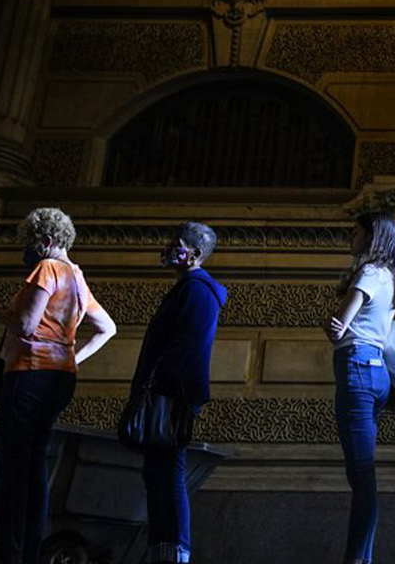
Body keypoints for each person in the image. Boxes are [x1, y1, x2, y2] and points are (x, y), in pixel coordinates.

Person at [0, 208, 118, 564]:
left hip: (29, 374)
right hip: (59, 378)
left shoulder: (47, 269)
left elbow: (26, 325)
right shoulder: (76, 275)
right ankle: (31, 551)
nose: (25, 252)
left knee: (15, 467)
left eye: (29, 243)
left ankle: (12, 553)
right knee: (36, 467)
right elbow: (107, 327)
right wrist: (71, 358)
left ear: (46, 241)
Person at [132, 223, 227, 564]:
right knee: (158, 471)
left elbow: (186, 347)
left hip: (172, 394)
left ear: (195, 254)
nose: (171, 248)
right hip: (170, 392)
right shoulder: (189, 288)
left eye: (178, 244)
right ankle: (165, 547)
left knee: (169, 470)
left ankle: (175, 549)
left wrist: (165, 389)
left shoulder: (198, 291)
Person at [325, 210, 395, 564]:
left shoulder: (369, 272)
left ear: (371, 236)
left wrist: (330, 324)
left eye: (356, 232)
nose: (351, 236)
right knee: (363, 472)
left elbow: (338, 327)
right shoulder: (391, 277)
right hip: (375, 373)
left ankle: (358, 559)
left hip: (357, 367)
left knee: (361, 474)